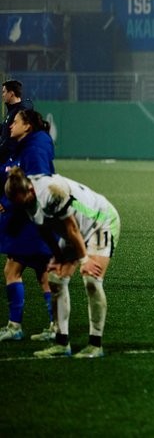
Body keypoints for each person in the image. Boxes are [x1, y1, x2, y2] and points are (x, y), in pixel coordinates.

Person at [5, 167, 121, 358]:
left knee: (91, 279)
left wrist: (84, 260)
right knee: (55, 278)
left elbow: (72, 228)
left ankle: (95, 344)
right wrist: (57, 257)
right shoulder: (24, 198)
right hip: (73, 231)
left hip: (101, 222)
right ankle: (61, 343)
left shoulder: (52, 192)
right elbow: (44, 229)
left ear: (30, 191)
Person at [0, 109, 56, 342]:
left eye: (16, 122)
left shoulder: (35, 149)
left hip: (32, 220)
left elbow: (37, 185)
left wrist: (7, 202)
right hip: (31, 219)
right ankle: (51, 326)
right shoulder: (28, 145)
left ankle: (19, 327)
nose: (11, 125)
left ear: (28, 126)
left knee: (18, 270)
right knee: (40, 273)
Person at [0, 80, 33, 165]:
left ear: (11, 94)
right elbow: (5, 130)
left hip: (12, 160)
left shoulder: (21, 109)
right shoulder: (12, 110)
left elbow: (10, 141)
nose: (2, 95)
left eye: (4, 92)